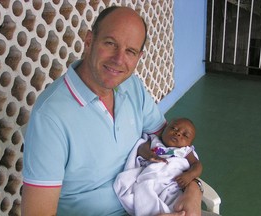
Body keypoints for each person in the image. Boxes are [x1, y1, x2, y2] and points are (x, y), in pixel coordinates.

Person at [21, 6, 202, 216]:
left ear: (138, 57)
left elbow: (170, 147)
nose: (118, 59)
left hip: (150, 202)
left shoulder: (132, 87)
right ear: (89, 42)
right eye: (110, 43)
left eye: (130, 51)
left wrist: (194, 189)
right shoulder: (50, 117)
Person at [113, 117, 203, 215]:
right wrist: (150, 155)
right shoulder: (154, 141)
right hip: (150, 178)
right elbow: (142, 148)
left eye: (185, 135)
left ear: (189, 144)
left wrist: (189, 175)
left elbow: (197, 165)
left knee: (177, 202)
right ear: (164, 129)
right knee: (144, 192)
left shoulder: (185, 151)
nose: (178, 133)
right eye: (174, 128)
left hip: (172, 184)